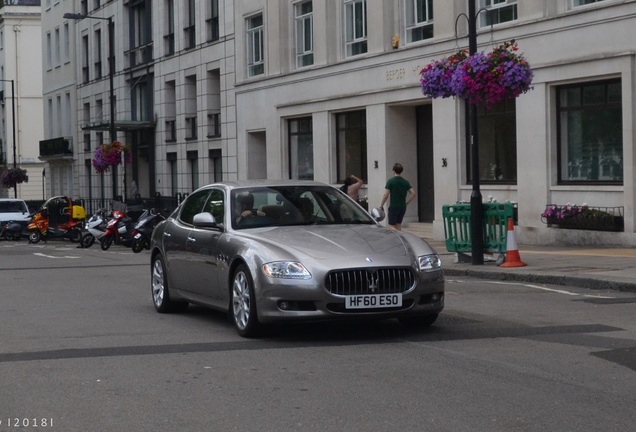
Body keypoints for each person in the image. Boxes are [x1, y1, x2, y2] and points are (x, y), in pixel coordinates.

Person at [379, 163, 416, 231]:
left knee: (391, 226)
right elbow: (413, 193)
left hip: (394, 206)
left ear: (394, 171)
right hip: (402, 207)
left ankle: (396, 237)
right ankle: (400, 238)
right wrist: (406, 203)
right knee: (398, 225)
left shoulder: (391, 181)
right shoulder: (405, 182)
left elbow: (385, 195)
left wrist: (381, 206)